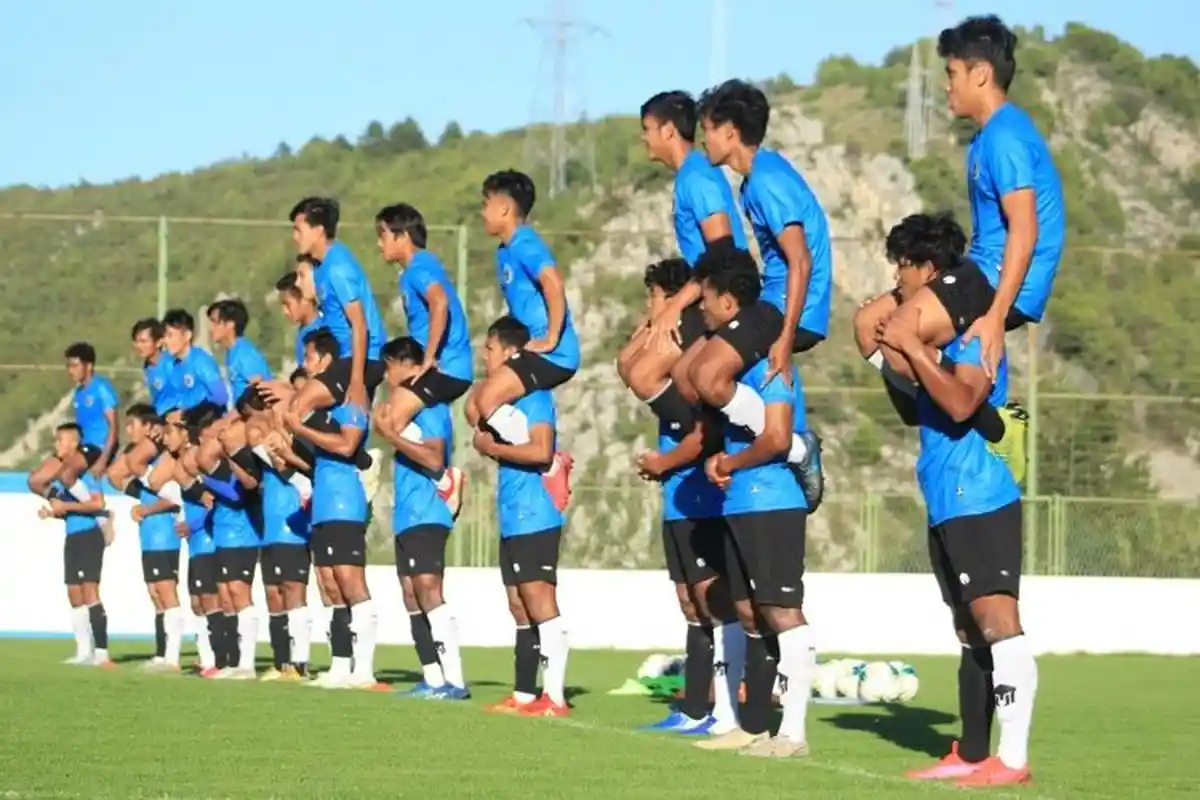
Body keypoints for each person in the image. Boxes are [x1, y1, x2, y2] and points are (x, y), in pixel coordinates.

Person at [874, 215, 1036, 788]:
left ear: (930, 272)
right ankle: (971, 752)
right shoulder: (939, 346)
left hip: (981, 495)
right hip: (945, 498)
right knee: (969, 630)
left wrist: (913, 349)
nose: (899, 281)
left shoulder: (975, 337)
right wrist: (889, 352)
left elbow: (965, 404)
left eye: (904, 269)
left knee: (998, 621)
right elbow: (914, 401)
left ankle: (1012, 759)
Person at [856, 15, 1063, 390]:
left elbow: (1025, 229)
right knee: (870, 324)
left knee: (900, 333)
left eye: (952, 73)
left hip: (1001, 280)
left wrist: (996, 316)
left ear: (980, 74)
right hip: (981, 268)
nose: (945, 85)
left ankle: (974, 407)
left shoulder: (1006, 138)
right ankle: (946, 396)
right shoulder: (984, 139)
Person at [689, 253, 815, 759]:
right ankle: (755, 725)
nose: (701, 312)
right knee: (748, 612)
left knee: (783, 611)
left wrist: (730, 464)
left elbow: (778, 438)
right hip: (741, 502)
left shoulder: (772, 366)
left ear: (728, 303)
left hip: (773, 500)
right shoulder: (737, 374)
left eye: (705, 303)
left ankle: (795, 733)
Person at [692, 79, 829, 506]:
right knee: (690, 371)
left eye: (708, 130)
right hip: (773, 301)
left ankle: (794, 447)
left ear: (730, 132)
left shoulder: (767, 180)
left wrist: (785, 338)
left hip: (789, 308)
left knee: (706, 376)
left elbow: (800, 260)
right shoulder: (753, 180)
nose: (704, 140)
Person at [633, 258, 741, 736]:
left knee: (712, 598)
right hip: (676, 500)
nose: (648, 307)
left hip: (701, 498)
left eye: (653, 297)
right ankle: (696, 706)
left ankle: (723, 708)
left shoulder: (697, 364)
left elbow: (705, 436)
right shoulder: (671, 365)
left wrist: (664, 463)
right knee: (688, 601)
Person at [618, 90, 747, 432]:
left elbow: (722, 248)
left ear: (669, 131)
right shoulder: (688, 176)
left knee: (644, 374)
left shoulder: (698, 177)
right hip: (704, 288)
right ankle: (700, 434)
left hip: (724, 294)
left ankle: (701, 441)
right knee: (629, 360)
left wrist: (676, 307)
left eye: (647, 128)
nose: (643, 137)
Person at [474, 317, 570, 718]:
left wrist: (493, 449)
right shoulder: (506, 404)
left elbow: (541, 451)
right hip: (513, 515)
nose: (485, 356)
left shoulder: (534, 396)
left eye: (490, 349)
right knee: (518, 603)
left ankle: (556, 698)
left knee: (539, 599)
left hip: (536, 513)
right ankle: (525, 694)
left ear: (511, 352)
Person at [467, 171, 576, 499]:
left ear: (504, 209)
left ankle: (549, 463)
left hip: (554, 353)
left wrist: (552, 337)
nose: (482, 212)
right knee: (474, 408)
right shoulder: (504, 251)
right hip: (530, 351)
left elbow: (553, 283)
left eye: (486, 205)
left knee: (487, 400)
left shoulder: (525, 242)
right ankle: (527, 452)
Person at [283, 329, 381, 690]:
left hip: (344, 501)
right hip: (322, 503)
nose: (304, 364)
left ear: (326, 361)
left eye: (308, 358)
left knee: (350, 581)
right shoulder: (318, 410)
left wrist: (300, 428)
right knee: (327, 585)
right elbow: (313, 456)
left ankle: (365, 669)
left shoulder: (351, 398)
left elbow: (348, 445)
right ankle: (340, 664)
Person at [374, 336, 469, 700]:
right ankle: (431, 678)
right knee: (411, 595)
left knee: (429, 590)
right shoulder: (408, 407)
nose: (385, 376)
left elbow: (434, 459)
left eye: (387, 367)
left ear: (403, 363)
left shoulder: (429, 406)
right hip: (407, 514)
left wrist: (391, 436)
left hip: (429, 510)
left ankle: (456, 681)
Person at [374, 202, 470, 516]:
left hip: (449, 367)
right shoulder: (414, 271)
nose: (379, 243)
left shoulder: (419, 268)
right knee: (387, 417)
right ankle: (440, 478)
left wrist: (428, 357)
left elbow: (439, 302)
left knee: (391, 422)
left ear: (402, 236)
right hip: (442, 367)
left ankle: (444, 477)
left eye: (383, 235)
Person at [283, 196, 387, 415]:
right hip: (344, 358)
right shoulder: (322, 267)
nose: (294, 237)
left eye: (298, 230)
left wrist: (357, 382)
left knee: (298, 407)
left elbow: (359, 324)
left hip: (364, 359)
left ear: (319, 230)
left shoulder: (338, 267)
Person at [238, 388, 313, 682]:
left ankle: (301, 664)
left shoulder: (291, 436)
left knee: (294, 592)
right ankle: (281, 663)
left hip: (292, 528)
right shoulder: (266, 436)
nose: (250, 425)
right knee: (273, 595)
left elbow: (291, 469)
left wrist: (270, 448)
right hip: (269, 531)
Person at [38, 423, 112, 667]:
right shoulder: (63, 481)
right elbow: (67, 509)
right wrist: (53, 513)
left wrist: (66, 507)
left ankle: (102, 653)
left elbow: (96, 504)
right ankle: (83, 652)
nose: (57, 445)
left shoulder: (87, 475)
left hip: (89, 536)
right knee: (74, 593)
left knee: (90, 591)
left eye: (61, 440)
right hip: (72, 536)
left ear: (73, 444)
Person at [125, 403, 185, 673]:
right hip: (149, 534)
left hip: (165, 534)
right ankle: (162, 654)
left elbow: (175, 500)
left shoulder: (169, 461)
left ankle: (172, 657)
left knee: (166, 590)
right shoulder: (150, 465)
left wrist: (146, 509)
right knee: (154, 592)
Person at [27, 343, 119, 509]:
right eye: (68, 366)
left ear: (88, 365)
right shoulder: (79, 393)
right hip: (81, 446)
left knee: (67, 474)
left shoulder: (101, 387)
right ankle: (60, 501)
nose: (70, 370)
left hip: (97, 447)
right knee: (35, 480)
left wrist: (103, 460)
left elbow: (114, 427)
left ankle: (92, 507)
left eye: (75, 366)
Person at [207, 298, 273, 404]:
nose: (210, 329)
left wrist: (231, 419)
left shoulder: (246, 355)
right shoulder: (231, 351)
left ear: (230, 324)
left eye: (215, 322)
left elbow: (262, 398)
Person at [132, 318, 175, 414]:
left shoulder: (172, 364)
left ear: (159, 342)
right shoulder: (148, 367)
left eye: (143, 341)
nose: (139, 346)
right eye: (136, 341)